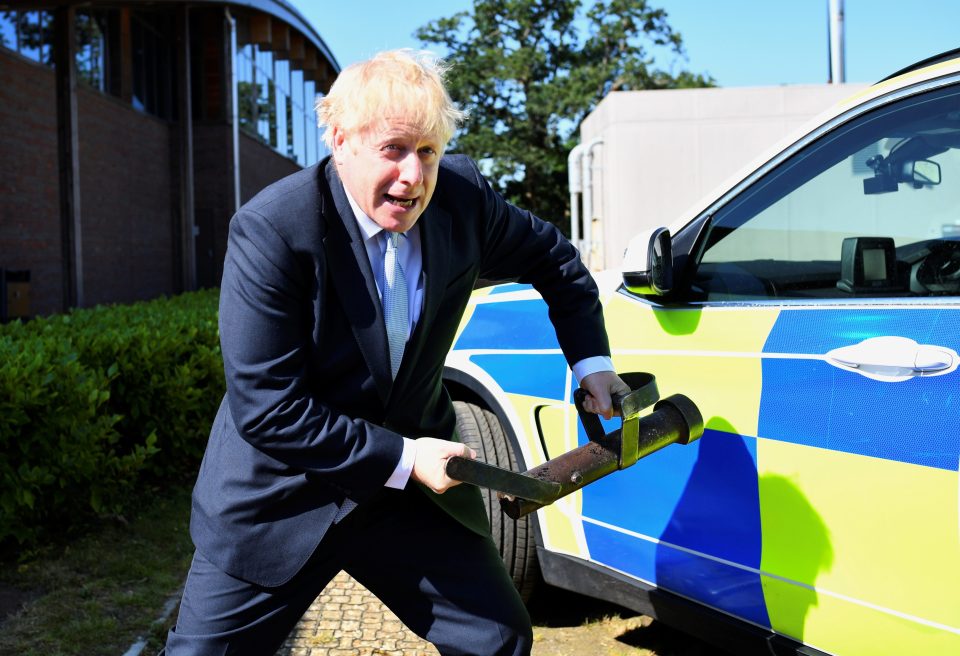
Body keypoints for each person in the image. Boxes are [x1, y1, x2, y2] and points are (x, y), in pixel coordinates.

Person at [164, 49, 629, 656]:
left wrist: (591, 364)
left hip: (408, 501)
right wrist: (406, 457)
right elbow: (269, 409)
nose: (414, 175)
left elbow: (557, 262)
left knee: (497, 638)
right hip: (282, 496)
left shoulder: (462, 200)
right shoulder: (272, 230)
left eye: (428, 151)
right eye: (394, 149)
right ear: (339, 139)